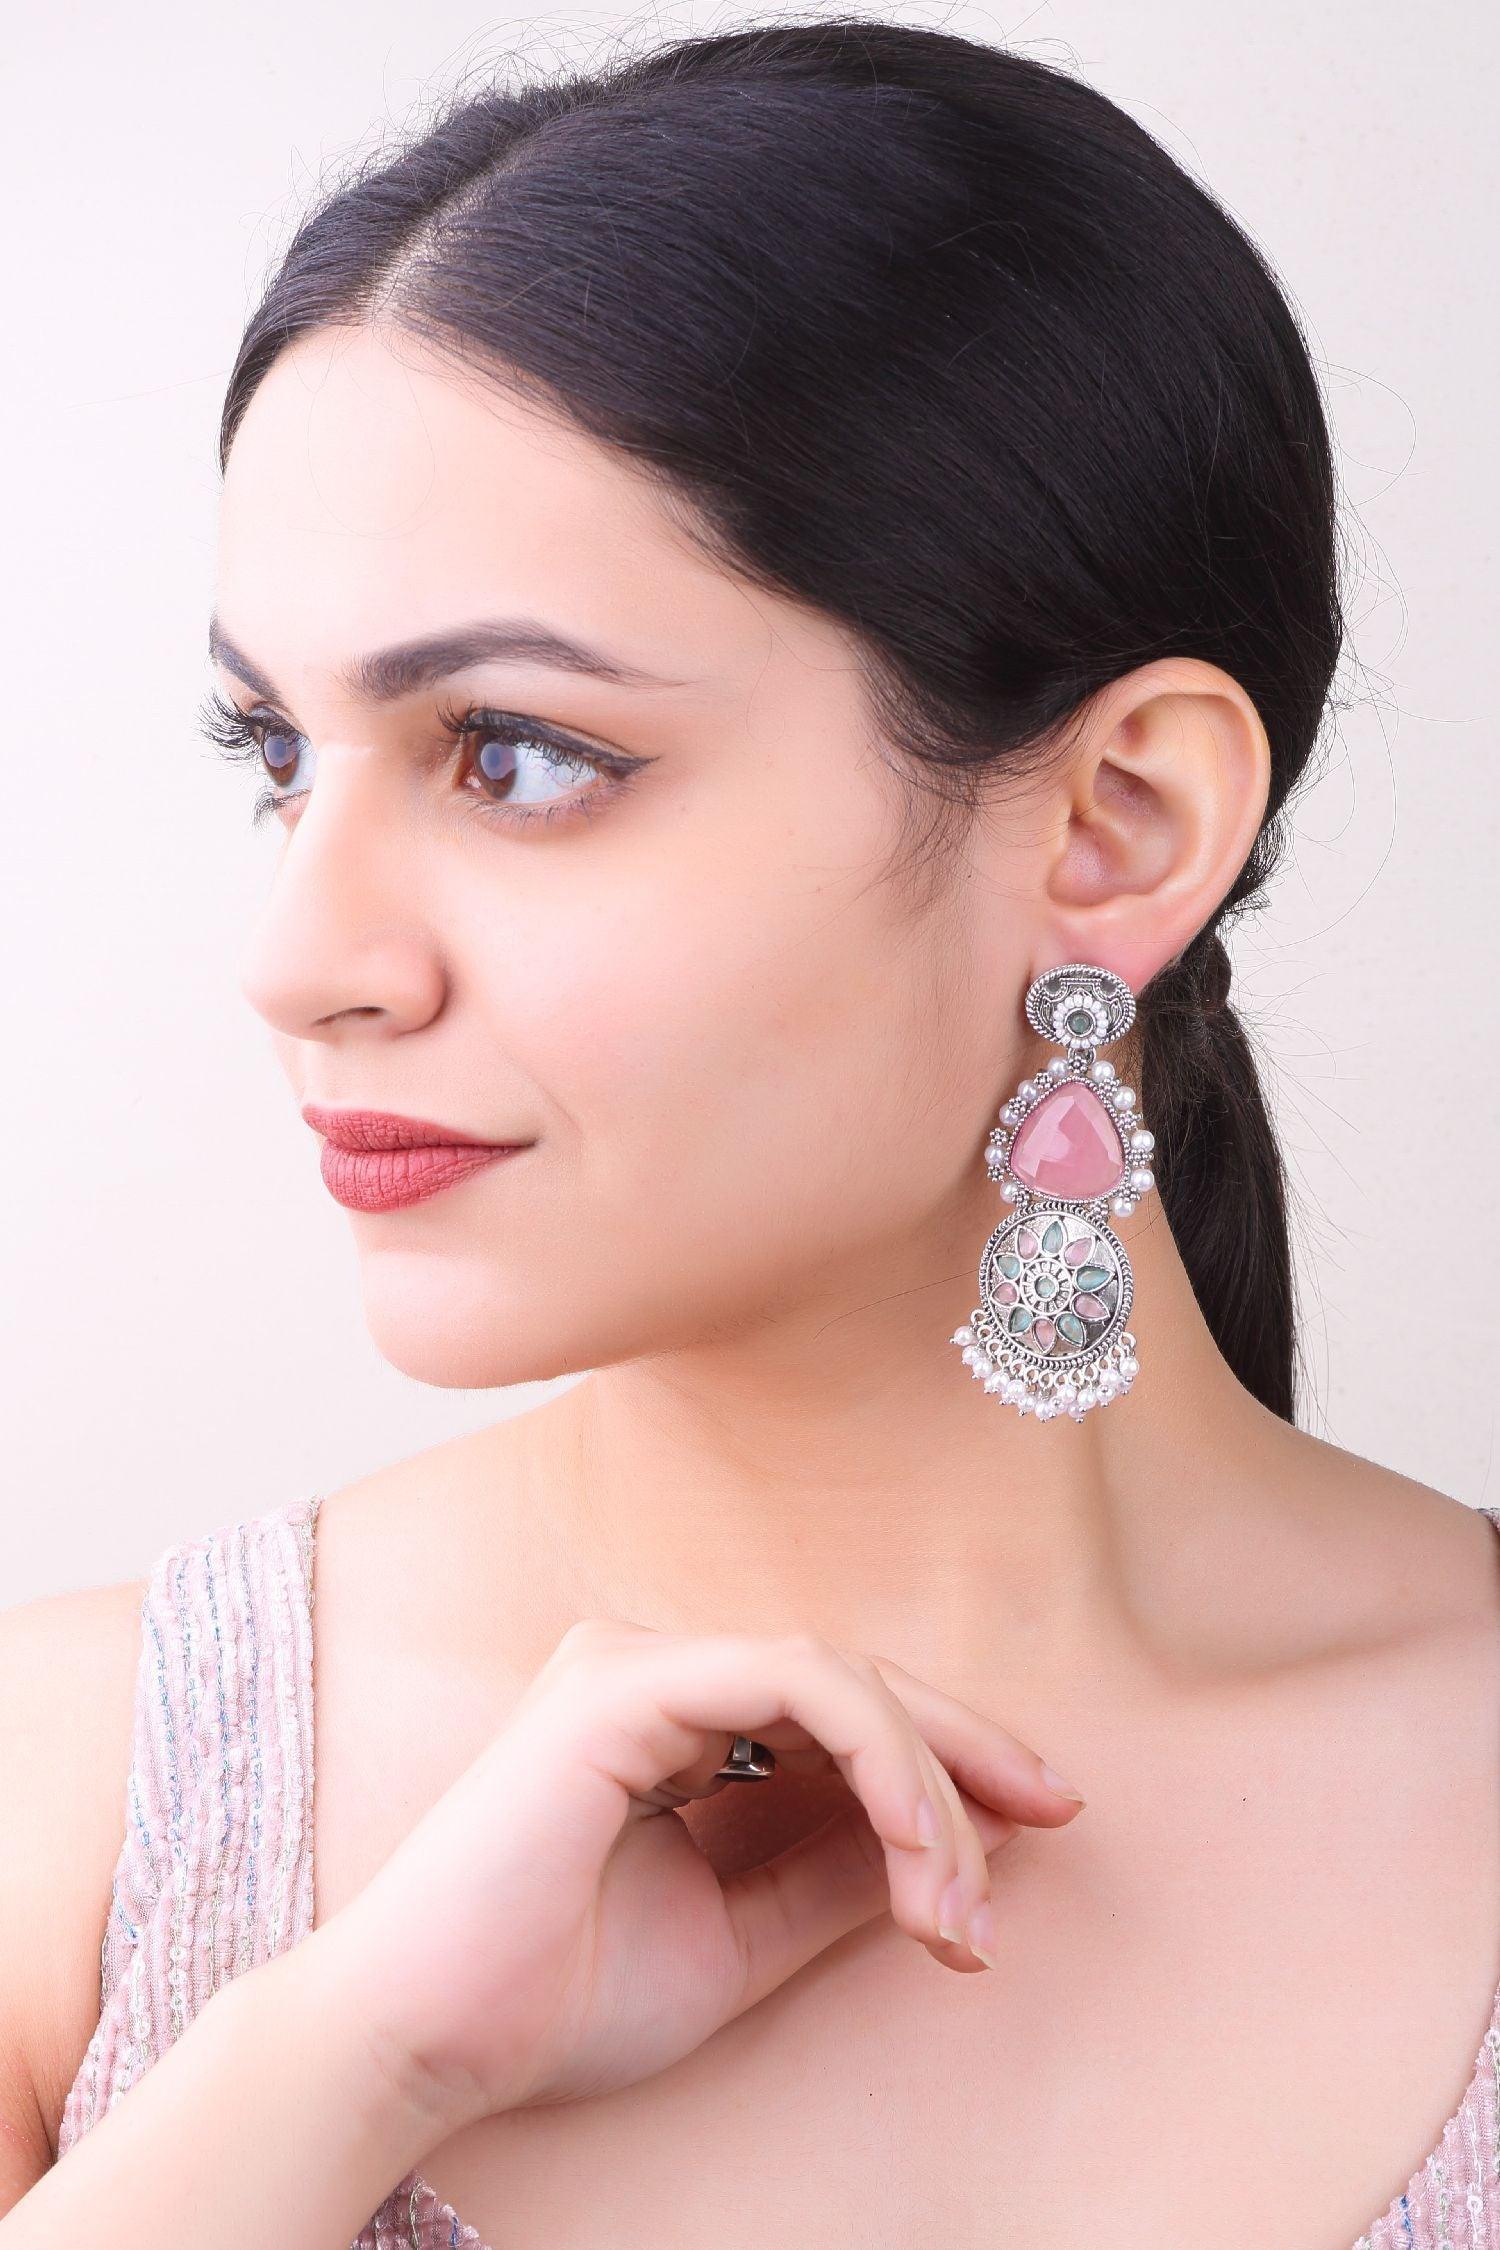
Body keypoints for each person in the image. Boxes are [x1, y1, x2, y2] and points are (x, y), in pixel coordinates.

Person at [2, 17, 1495, 2248]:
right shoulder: (74, 1808)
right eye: (277, 756)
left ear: (1118, 822)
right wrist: (345, 2062)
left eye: (516, 754)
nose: (298, 958)